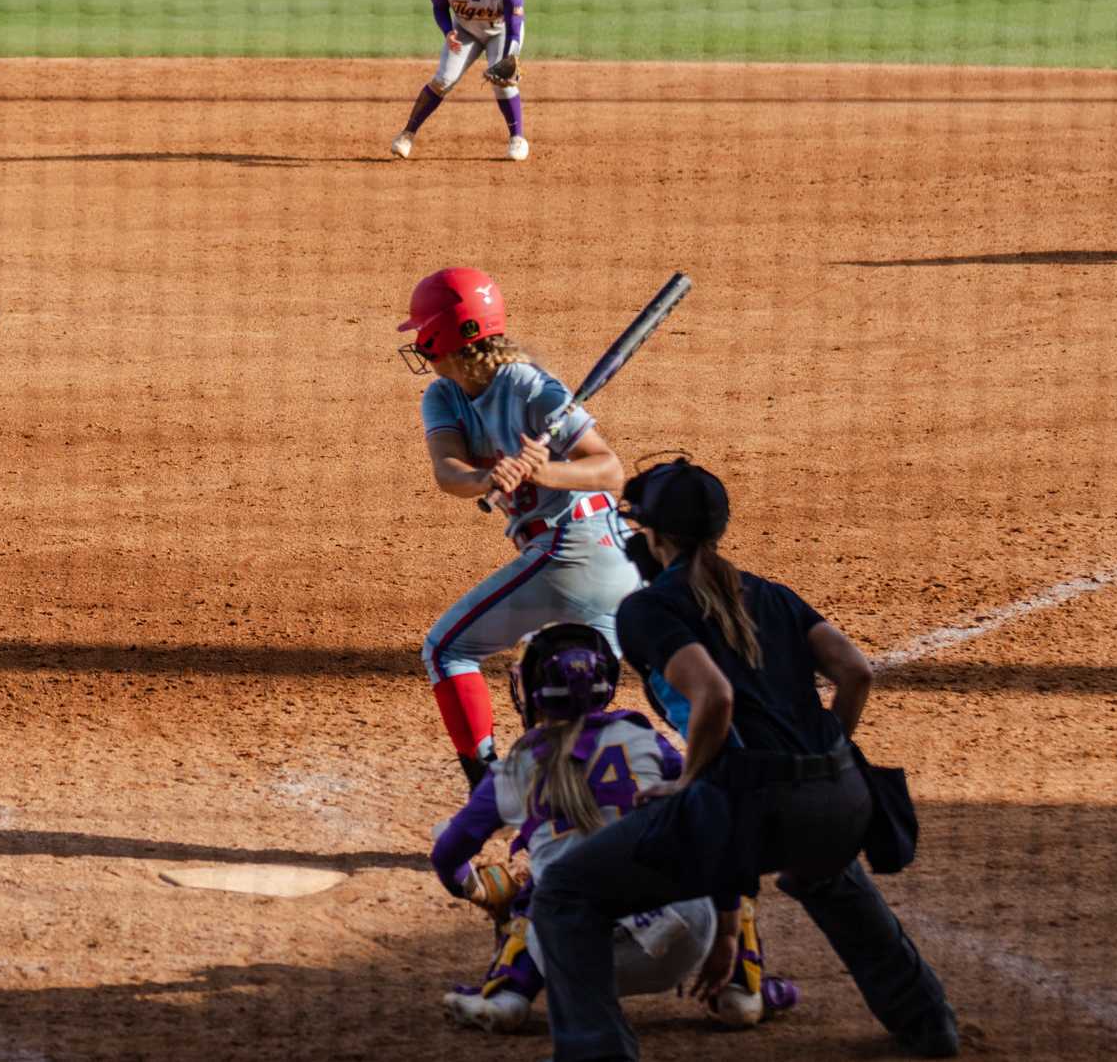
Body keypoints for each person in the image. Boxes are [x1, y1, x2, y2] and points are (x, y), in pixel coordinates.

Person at [532, 459, 962, 1061]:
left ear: (654, 535)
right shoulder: (772, 594)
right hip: (840, 798)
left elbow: (716, 697)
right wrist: (827, 755)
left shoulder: (648, 609)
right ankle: (930, 1023)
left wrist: (689, 778)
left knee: (566, 893)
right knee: (826, 872)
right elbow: (855, 672)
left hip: (748, 805)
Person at [430, 623, 800, 1035]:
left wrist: (474, 888)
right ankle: (740, 989)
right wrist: (726, 931)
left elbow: (446, 853)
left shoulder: (513, 767)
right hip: (686, 935)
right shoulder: (643, 739)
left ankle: (506, 995)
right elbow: (714, 815)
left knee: (544, 887)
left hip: (576, 959)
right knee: (711, 847)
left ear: (532, 690)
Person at [401, 265, 638, 794]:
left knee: (446, 650)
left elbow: (609, 470)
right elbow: (448, 473)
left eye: (422, 333)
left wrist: (543, 469)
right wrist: (488, 475)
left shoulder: (532, 387)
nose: (419, 344)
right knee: (559, 699)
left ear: (443, 333)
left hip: (578, 548)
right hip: (595, 563)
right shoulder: (445, 397)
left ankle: (489, 791)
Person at [392, 0, 528, 162]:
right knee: (442, 80)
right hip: (465, 31)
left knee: (503, 83)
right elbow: (439, 6)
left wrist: (510, 56)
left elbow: (515, 27)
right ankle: (407, 135)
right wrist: (447, 31)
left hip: (501, 32)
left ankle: (517, 138)